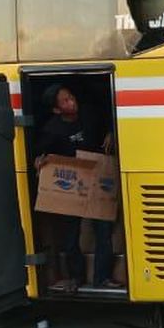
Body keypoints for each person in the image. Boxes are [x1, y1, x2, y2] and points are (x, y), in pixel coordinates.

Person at [34, 83, 122, 291]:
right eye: (65, 101)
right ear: (57, 109)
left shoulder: (90, 115)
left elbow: (112, 118)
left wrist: (111, 132)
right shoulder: (52, 130)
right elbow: (39, 154)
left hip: (98, 177)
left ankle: (101, 278)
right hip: (71, 185)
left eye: (71, 96)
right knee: (71, 236)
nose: (72, 102)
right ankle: (76, 277)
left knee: (104, 231)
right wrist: (40, 161)